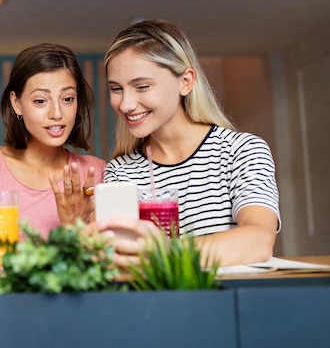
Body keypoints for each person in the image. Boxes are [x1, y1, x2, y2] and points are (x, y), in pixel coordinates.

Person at [52, 19, 281, 267]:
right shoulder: (121, 171)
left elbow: (259, 241)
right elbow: (112, 258)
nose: (126, 104)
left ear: (186, 81)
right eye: (116, 89)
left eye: (142, 86)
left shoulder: (242, 151)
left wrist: (157, 253)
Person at [0, 43, 107, 238]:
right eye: (40, 101)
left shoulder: (96, 175)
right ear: (17, 103)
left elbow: (103, 265)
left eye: (67, 99)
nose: (57, 113)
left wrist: (73, 226)